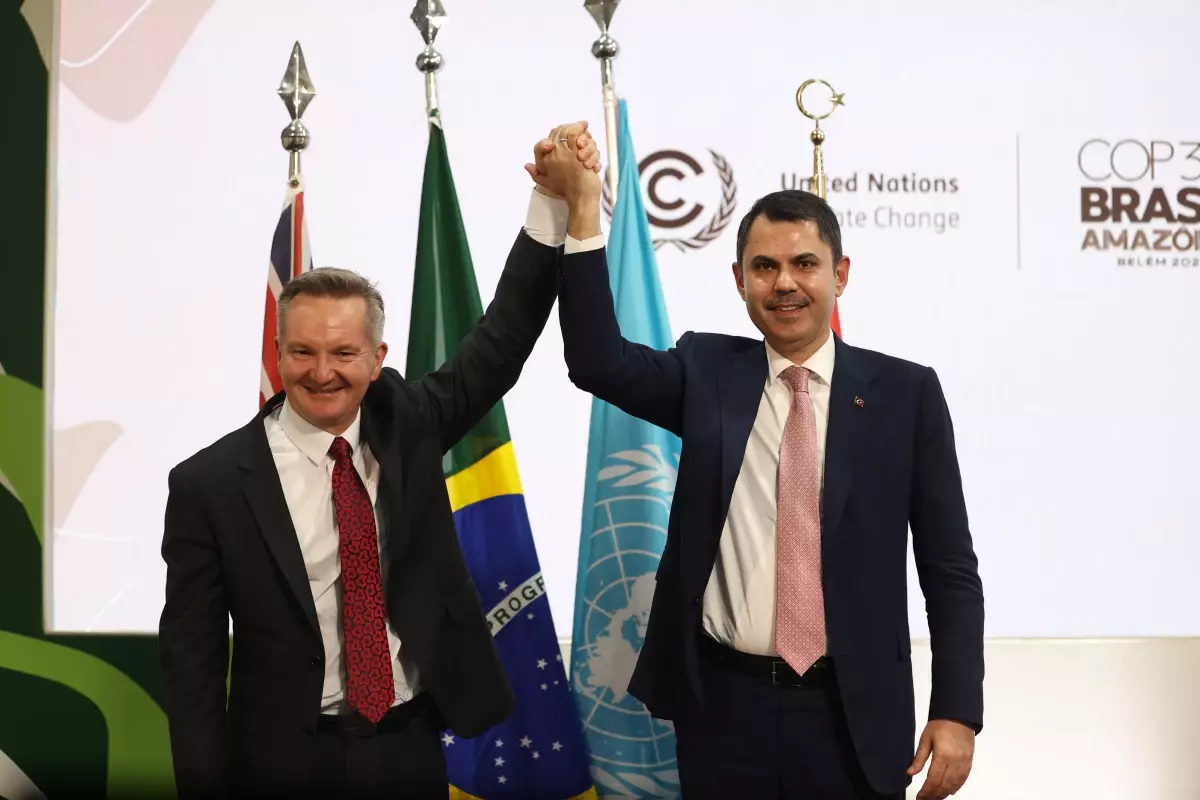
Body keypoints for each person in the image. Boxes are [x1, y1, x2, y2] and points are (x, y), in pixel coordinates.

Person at [528, 137, 984, 799]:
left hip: (855, 714)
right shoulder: (708, 372)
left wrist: (957, 710)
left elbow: (949, 568)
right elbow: (596, 361)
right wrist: (580, 210)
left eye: (805, 264)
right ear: (740, 280)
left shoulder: (905, 395)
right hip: (724, 713)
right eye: (764, 267)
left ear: (840, 275)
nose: (785, 283)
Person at [157, 124, 601, 799]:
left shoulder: (407, 422)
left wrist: (549, 202)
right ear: (278, 353)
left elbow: (501, 341)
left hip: (407, 747)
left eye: (343, 353)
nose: (322, 372)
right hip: (279, 761)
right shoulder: (209, 485)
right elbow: (192, 665)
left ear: (376, 359)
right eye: (302, 352)